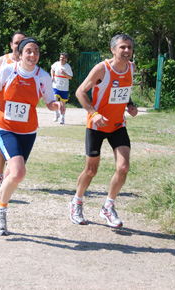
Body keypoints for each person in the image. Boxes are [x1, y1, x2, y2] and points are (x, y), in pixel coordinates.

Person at [0, 37, 64, 235]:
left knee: (13, 175)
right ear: (19, 53)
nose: (33, 55)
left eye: (36, 51)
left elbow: (49, 102)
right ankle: (1, 211)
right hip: (5, 128)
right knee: (18, 172)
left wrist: (57, 106)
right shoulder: (8, 70)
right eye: (28, 51)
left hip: (28, 131)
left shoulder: (43, 76)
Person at [68, 34, 138, 228]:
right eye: (122, 47)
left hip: (117, 125)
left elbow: (124, 91)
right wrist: (93, 113)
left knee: (123, 167)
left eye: (129, 47)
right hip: (97, 126)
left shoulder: (131, 68)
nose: (127, 51)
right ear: (113, 50)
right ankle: (77, 201)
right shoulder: (102, 69)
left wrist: (130, 105)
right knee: (91, 171)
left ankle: (108, 206)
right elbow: (80, 91)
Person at [0, 31, 27, 188]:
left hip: (23, 113)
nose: (19, 46)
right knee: (2, 146)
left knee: (19, 145)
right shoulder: (3, 61)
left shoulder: (30, 63)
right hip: (2, 110)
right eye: (16, 43)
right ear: (11, 45)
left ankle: (11, 175)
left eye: (22, 42)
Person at [50, 52, 73, 124]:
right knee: (55, 100)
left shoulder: (67, 67)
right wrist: (52, 76)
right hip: (56, 86)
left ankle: (62, 117)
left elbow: (70, 77)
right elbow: (52, 69)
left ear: (66, 59)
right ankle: (56, 114)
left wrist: (64, 74)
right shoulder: (56, 64)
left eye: (63, 58)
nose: (61, 59)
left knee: (63, 104)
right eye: (60, 57)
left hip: (64, 88)